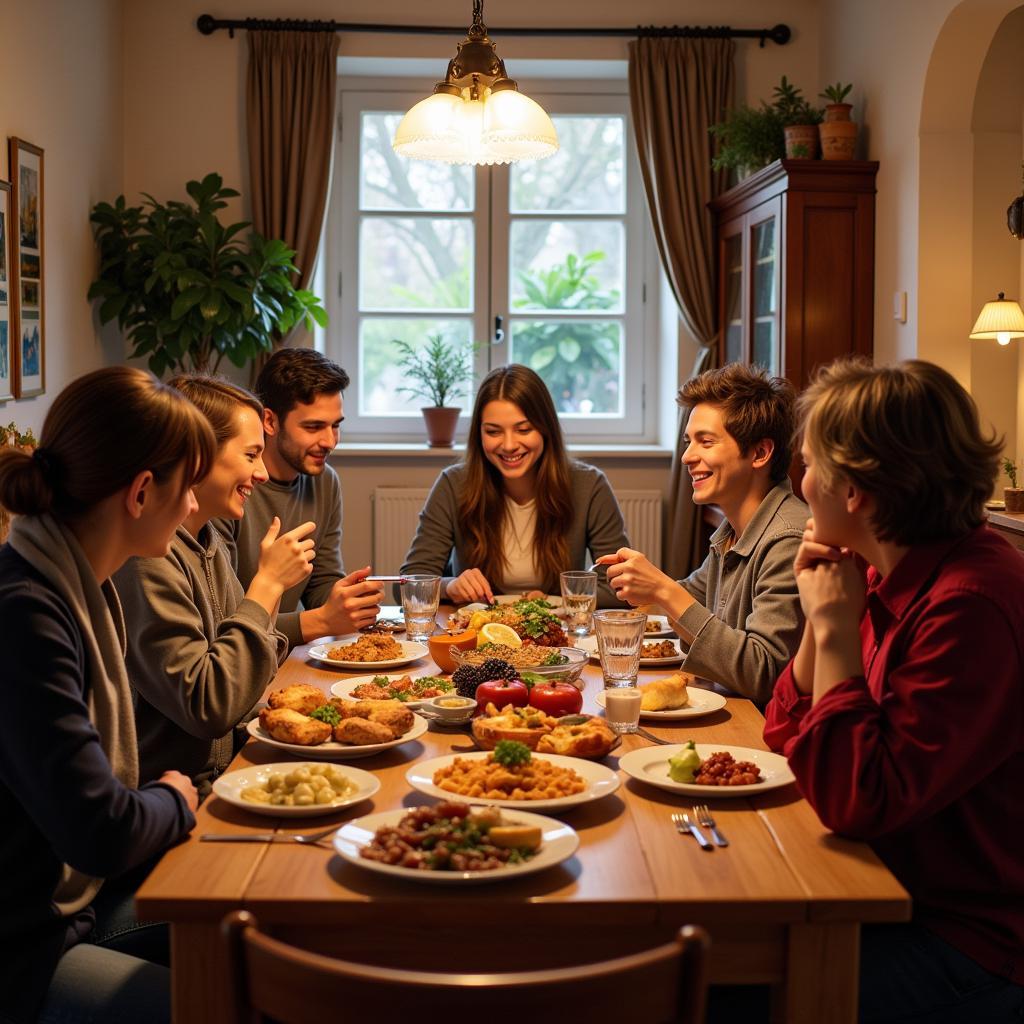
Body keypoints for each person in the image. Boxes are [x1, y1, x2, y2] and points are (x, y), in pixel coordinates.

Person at [763, 359, 1024, 1022]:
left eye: (809, 464)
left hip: (966, 941)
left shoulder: (971, 605)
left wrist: (831, 626)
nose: (802, 484)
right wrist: (825, 632)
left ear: (856, 491)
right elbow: (785, 733)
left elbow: (860, 801)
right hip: (880, 888)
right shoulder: (888, 567)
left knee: (713, 986)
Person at [0, 366, 214, 1024]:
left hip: (78, 901)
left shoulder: (72, 583)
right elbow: (99, 830)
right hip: (27, 951)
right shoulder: (26, 615)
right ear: (143, 492)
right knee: (238, 999)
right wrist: (176, 801)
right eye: (189, 489)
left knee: (252, 925)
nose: (193, 509)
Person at [116, 376, 315, 795]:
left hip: (225, 774)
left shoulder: (207, 540)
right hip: (176, 796)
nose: (261, 473)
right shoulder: (148, 559)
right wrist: (268, 584)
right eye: (250, 455)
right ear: (198, 457)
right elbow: (209, 706)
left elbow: (246, 674)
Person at [597, 363, 807, 703]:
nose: (687, 456)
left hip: (762, 735)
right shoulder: (733, 531)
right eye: (688, 442)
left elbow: (764, 673)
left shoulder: (788, 539)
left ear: (760, 453)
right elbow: (688, 597)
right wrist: (643, 582)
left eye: (705, 442)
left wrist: (662, 590)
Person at [401, 363, 629, 606]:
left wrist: (558, 600)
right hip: (479, 633)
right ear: (479, 434)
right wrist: (450, 586)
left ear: (545, 429)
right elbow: (408, 584)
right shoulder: (453, 484)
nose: (509, 445)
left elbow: (622, 587)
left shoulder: (588, 485)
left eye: (523, 429)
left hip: (558, 633)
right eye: (493, 431)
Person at [216, 348, 382, 647]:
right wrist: (319, 621)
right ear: (269, 421)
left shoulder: (325, 481)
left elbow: (320, 583)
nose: (329, 441)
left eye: (336, 426)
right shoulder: (230, 488)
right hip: (237, 656)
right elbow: (225, 620)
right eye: (313, 427)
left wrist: (346, 599)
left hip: (280, 654)